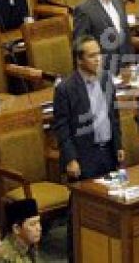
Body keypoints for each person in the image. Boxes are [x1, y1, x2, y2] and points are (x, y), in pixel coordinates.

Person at [53, 35, 123, 181]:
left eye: (99, 53)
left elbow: (114, 117)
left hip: (109, 153)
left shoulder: (106, 79)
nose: (98, 59)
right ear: (79, 60)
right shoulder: (65, 89)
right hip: (84, 158)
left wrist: (118, 145)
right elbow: (62, 128)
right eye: (92, 56)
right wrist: (71, 159)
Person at [72, 0, 132, 70]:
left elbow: (125, 34)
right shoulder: (84, 10)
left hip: (125, 65)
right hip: (102, 68)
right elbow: (80, 44)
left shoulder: (118, 1)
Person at [1, 198, 41, 263]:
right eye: (33, 224)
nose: (39, 228)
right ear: (16, 229)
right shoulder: (6, 256)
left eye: (38, 222)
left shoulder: (29, 243)